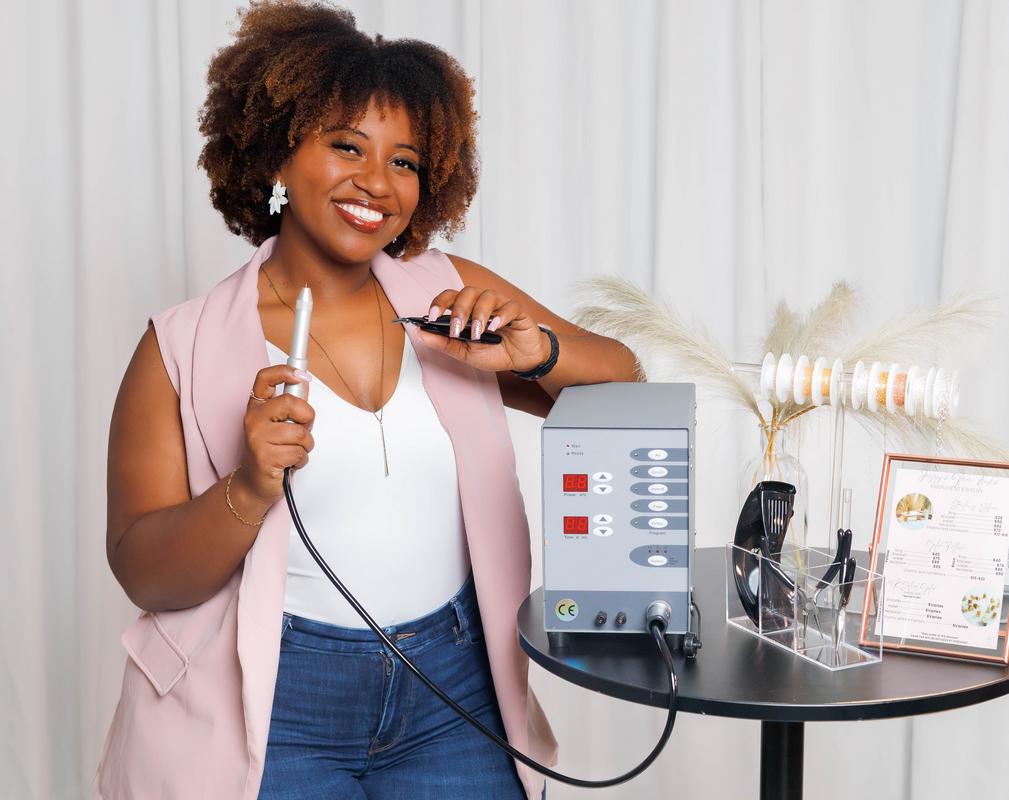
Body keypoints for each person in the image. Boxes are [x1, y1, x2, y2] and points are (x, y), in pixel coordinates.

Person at [96, 2, 637, 798]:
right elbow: (144, 573)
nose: (376, 183)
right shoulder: (178, 346)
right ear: (278, 155)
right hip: (277, 702)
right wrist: (247, 490)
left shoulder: (455, 296)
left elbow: (623, 384)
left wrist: (540, 352)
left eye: (406, 162)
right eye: (345, 146)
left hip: (455, 687)